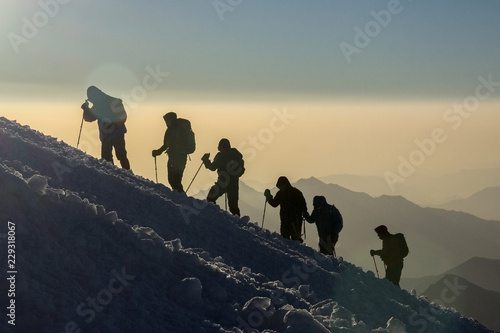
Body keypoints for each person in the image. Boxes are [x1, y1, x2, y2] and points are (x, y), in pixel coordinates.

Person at [81, 86, 130, 169]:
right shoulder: (111, 101)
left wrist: (86, 109)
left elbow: (88, 118)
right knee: (121, 156)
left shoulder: (98, 106)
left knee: (107, 158)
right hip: (116, 133)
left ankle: (113, 175)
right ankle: (127, 175)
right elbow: (123, 116)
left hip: (108, 135)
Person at [152, 112, 194, 192]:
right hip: (175, 158)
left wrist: (158, 152)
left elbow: (166, 145)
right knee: (172, 180)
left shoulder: (177, 130)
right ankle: (180, 197)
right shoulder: (170, 130)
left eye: (167, 121)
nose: (166, 123)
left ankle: (181, 198)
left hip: (178, 158)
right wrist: (158, 152)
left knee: (175, 181)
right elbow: (166, 145)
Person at [201, 138, 244, 216]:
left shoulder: (221, 156)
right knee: (233, 207)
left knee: (211, 198)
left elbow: (212, 167)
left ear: (223, 147)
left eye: (219, 148)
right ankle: (238, 223)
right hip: (233, 184)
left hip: (223, 183)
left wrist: (205, 160)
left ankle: (214, 215)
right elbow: (240, 171)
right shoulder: (235, 155)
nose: (219, 150)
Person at [264, 176, 307, 242]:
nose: (281, 188)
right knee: (286, 238)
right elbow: (274, 204)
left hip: (295, 219)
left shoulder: (293, 193)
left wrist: (268, 197)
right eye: (279, 187)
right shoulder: (293, 192)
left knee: (294, 239)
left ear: (285, 185)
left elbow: (303, 206)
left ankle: (294, 251)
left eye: (281, 186)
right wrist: (268, 197)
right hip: (287, 219)